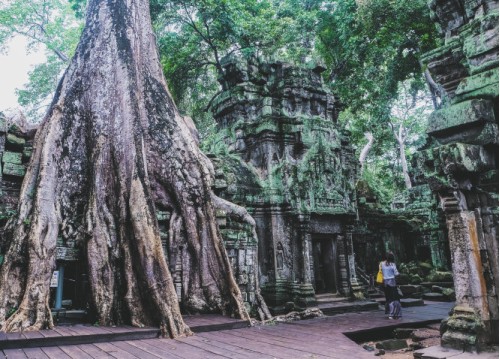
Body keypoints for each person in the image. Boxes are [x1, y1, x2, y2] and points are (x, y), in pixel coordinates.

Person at [381, 252, 401, 319]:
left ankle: (390, 313)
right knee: (395, 299)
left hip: (385, 283)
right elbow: (396, 274)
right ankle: (395, 314)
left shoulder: (381, 264)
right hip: (392, 282)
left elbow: (381, 272)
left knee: (388, 299)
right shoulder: (393, 264)